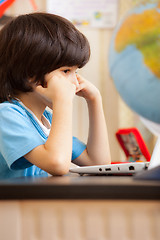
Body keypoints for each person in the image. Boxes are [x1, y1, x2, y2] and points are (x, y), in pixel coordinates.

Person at [0, 12, 111, 179]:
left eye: (76, 72)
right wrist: (63, 102)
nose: (75, 82)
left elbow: (99, 163)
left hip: (39, 203)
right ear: (32, 75)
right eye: (66, 71)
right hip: (15, 205)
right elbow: (57, 164)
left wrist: (95, 101)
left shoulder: (47, 120)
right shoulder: (6, 114)